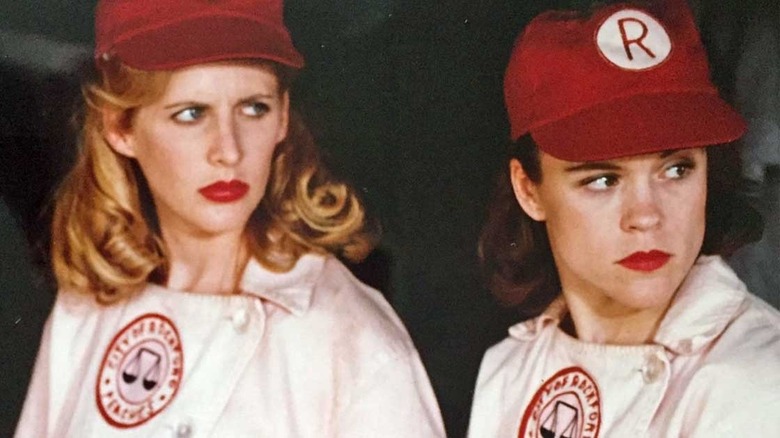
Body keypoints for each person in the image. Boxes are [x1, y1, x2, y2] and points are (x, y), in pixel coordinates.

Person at [14, 1, 445, 436]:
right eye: (191, 113)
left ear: (282, 118)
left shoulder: (350, 338)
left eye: (254, 108)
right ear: (120, 128)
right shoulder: (84, 310)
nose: (229, 149)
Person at [468, 0, 780, 436]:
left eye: (676, 170)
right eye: (601, 180)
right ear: (528, 190)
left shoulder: (759, 383)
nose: (646, 216)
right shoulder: (508, 370)